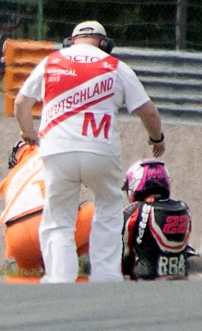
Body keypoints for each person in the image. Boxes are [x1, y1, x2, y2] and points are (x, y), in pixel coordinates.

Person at [14, 20, 166, 283]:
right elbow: (148, 111)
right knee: (108, 208)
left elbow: (21, 103)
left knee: (59, 218)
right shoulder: (116, 67)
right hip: (100, 151)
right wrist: (157, 138)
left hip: (57, 150)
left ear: (70, 42)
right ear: (104, 44)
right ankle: (106, 277)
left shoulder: (51, 62)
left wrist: (29, 134)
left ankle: (60, 279)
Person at [0, 140, 94, 276]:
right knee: (99, 213)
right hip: (52, 222)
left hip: (19, 240)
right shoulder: (55, 154)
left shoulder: (11, 178)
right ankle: (92, 268)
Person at [121, 159, 192, 280]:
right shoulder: (183, 208)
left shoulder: (133, 211)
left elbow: (125, 255)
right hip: (181, 281)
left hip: (146, 284)